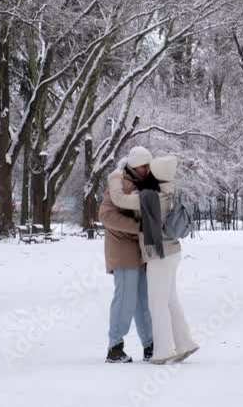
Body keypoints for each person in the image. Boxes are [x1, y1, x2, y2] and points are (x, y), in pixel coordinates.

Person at [111, 155, 198, 365]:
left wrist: (114, 177)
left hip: (160, 255)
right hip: (173, 252)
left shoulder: (151, 196)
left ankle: (164, 351)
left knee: (156, 304)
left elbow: (119, 199)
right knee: (170, 300)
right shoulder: (168, 189)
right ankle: (185, 343)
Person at [99, 146, 154, 363]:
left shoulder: (144, 184)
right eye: (143, 166)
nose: (147, 169)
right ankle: (115, 347)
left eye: (149, 165)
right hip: (122, 251)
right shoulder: (118, 184)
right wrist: (138, 226)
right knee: (125, 300)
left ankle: (150, 345)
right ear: (133, 166)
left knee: (143, 300)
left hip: (140, 251)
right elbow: (106, 216)